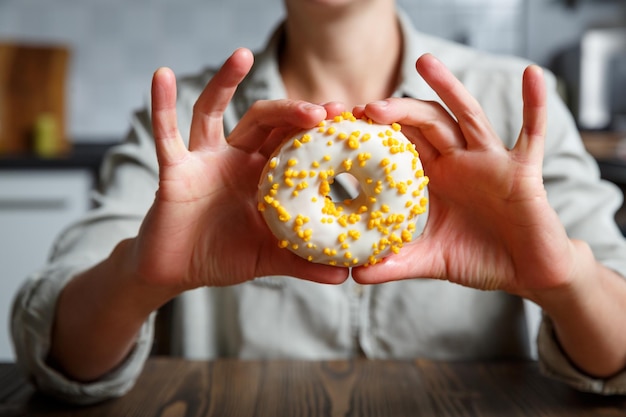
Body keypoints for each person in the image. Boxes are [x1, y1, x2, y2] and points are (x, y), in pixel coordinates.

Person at [11, 0, 626, 404]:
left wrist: (567, 280)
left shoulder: (511, 105)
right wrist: (138, 276)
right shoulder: (184, 129)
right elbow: (56, 355)